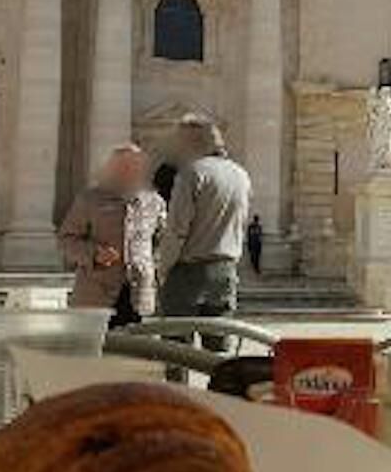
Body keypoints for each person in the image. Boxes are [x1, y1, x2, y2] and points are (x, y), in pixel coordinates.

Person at [160, 116, 251, 351]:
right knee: (218, 350)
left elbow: (177, 229)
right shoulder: (241, 175)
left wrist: (163, 269)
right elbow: (240, 225)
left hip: (188, 271)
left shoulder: (192, 173)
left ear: (193, 142)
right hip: (225, 270)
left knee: (176, 351)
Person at [59, 144, 167, 328]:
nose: (130, 172)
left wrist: (151, 267)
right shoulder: (90, 199)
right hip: (96, 294)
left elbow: (163, 240)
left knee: (137, 344)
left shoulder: (154, 202)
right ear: (112, 169)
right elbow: (66, 240)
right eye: (124, 167)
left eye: (135, 166)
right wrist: (94, 254)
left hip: (139, 295)